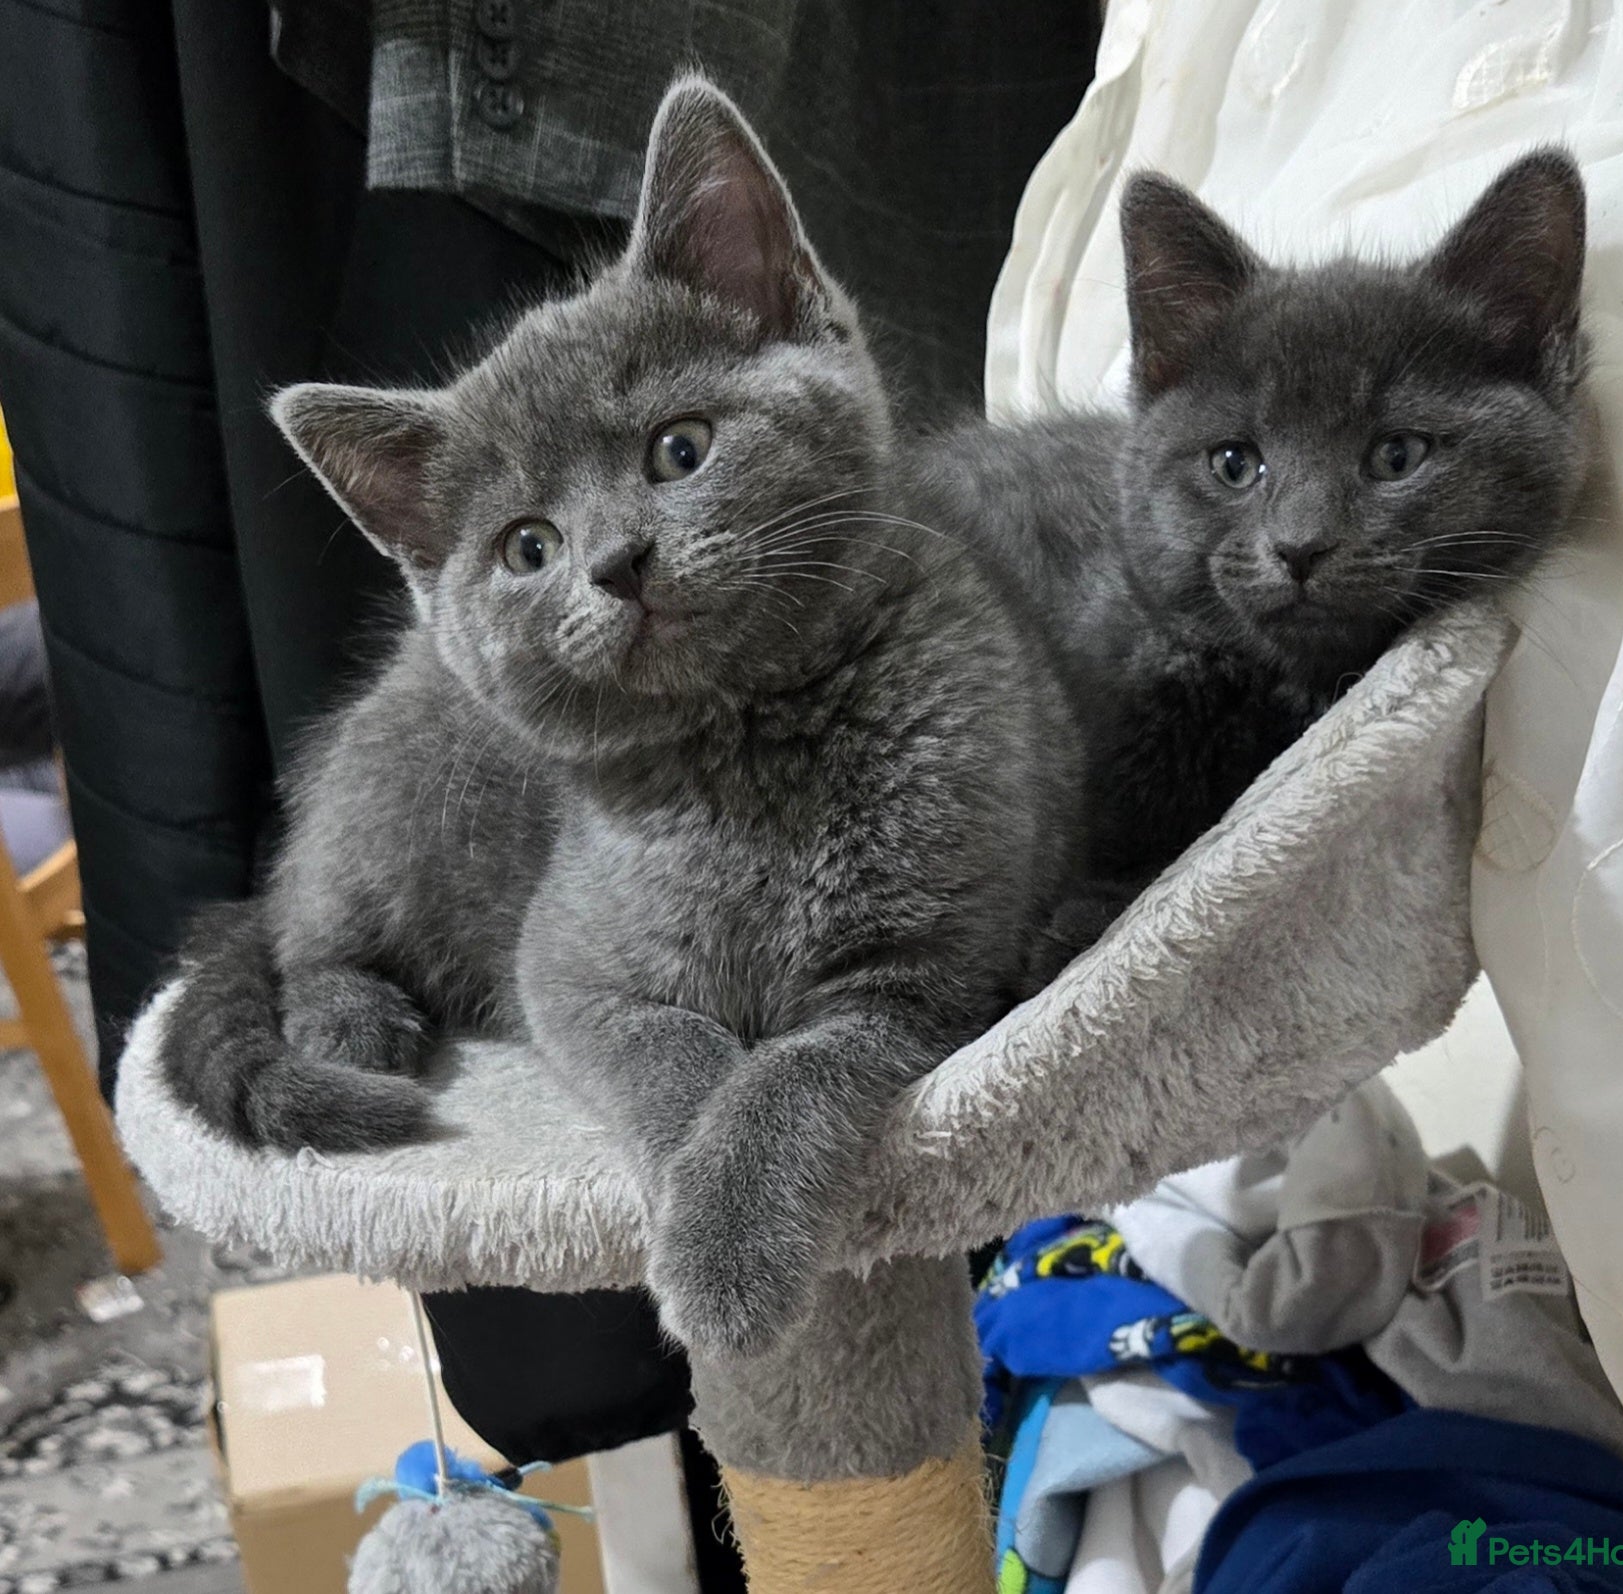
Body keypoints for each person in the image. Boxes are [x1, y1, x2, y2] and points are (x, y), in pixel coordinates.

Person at [0, 3, 1099, 1583]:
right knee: (424, 748)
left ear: (792, 315)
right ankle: (323, 949)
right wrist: (665, 1099)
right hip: (508, 815)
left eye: (676, 448)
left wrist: (758, 1132)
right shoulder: (579, 756)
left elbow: (926, 986)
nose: (613, 553)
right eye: (527, 546)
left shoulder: (943, 680)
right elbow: (577, 980)